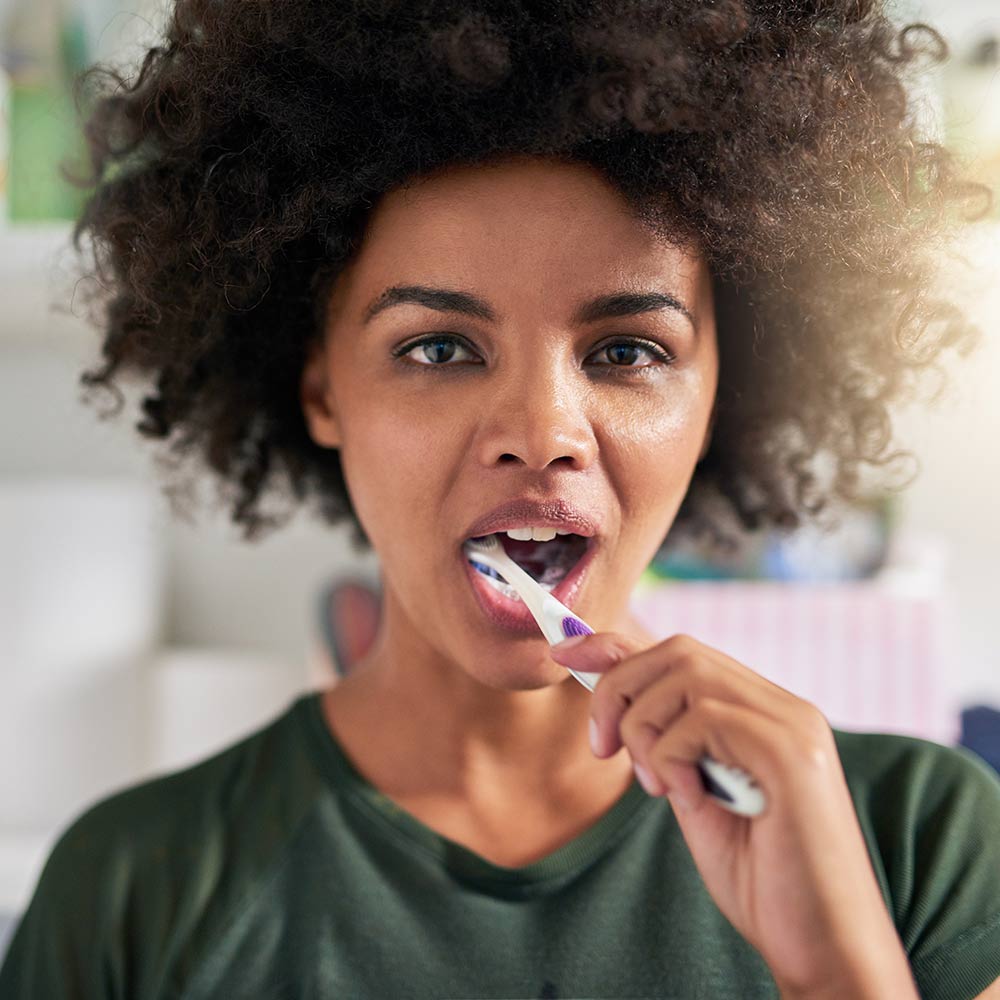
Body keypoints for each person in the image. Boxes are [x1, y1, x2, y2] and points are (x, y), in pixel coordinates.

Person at [2, 1, 999, 997]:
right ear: (322, 389)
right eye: (438, 348)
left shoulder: (923, 840)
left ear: (719, 397)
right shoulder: (126, 893)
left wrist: (837, 969)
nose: (542, 430)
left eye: (626, 351)